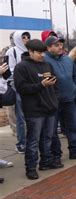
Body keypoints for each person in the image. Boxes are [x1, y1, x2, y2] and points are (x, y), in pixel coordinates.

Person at [14, 39, 60, 180]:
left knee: (48, 137)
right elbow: (21, 88)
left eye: (43, 52)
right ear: (30, 52)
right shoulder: (21, 67)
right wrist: (41, 85)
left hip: (50, 107)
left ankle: (45, 162)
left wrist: (53, 92)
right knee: (33, 140)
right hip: (34, 110)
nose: (42, 55)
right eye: (39, 53)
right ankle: (31, 168)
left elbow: (53, 84)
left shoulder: (47, 65)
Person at [44, 36, 76, 161]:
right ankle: (56, 155)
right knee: (52, 130)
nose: (60, 47)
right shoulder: (44, 60)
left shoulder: (68, 60)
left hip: (69, 99)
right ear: (48, 47)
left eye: (61, 44)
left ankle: (75, 151)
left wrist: (75, 89)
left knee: (72, 126)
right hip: (53, 101)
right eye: (56, 45)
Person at [5, 30, 30, 154]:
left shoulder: (31, 50)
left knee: (31, 115)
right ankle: (21, 143)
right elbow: (9, 70)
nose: (26, 39)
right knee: (20, 117)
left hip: (31, 87)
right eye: (23, 37)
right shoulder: (12, 51)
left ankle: (31, 141)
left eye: (27, 37)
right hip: (18, 87)